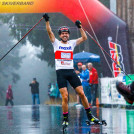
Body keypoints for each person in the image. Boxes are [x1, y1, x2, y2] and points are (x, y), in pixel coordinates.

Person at [43, 13, 99, 126]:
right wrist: (47, 21)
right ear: (60, 35)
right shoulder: (56, 43)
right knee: (65, 96)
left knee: (81, 93)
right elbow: (49, 32)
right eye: (63, 33)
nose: (65, 35)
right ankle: (65, 119)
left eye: (66, 33)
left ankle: (90, 116)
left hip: (71, 72)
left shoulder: (72, 43)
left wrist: (80, 27)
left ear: (68, 35)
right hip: (61, 73)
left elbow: (84, 38)